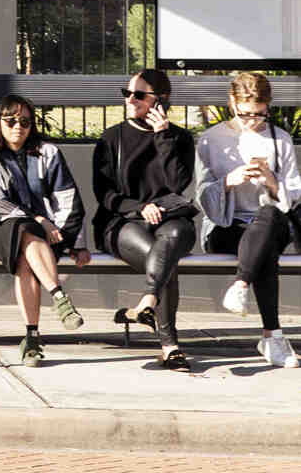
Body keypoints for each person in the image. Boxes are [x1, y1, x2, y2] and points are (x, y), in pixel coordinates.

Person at [0, 94, 88, 364]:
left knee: (25, 256)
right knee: (22, 227)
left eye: (25, 121)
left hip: (43, 237)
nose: (17, 127)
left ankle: (32, 338)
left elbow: (68, 198)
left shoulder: (49, 153)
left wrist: (75, 243)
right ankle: (59, 296)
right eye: (10, 121)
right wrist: (37, 219)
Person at [92, 67, 198, 368]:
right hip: (122, 221)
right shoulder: (112, 138)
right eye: (127, 93)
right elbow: (105, 194)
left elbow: (178, 184)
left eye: (138, 94)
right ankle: (169, 344)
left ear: (160, 100)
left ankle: (146, 303)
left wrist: (162, 136)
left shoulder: (179, 138)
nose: (130, 100)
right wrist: (139, 208)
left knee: (174, 239)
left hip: (169, 220)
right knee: (163, 258)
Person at [196, 69, 301, 368]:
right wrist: (229, 180)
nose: (252, 121)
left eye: (259, 115)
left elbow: (291, 194)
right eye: (245, 115)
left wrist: (270, 180)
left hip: (270, 221)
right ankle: (273, 338)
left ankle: (241, 285)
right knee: (263, 252)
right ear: (232, 103)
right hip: (227, 225)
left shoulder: (280, 139)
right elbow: (202, 197)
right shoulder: (210, 140)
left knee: (267, 216)